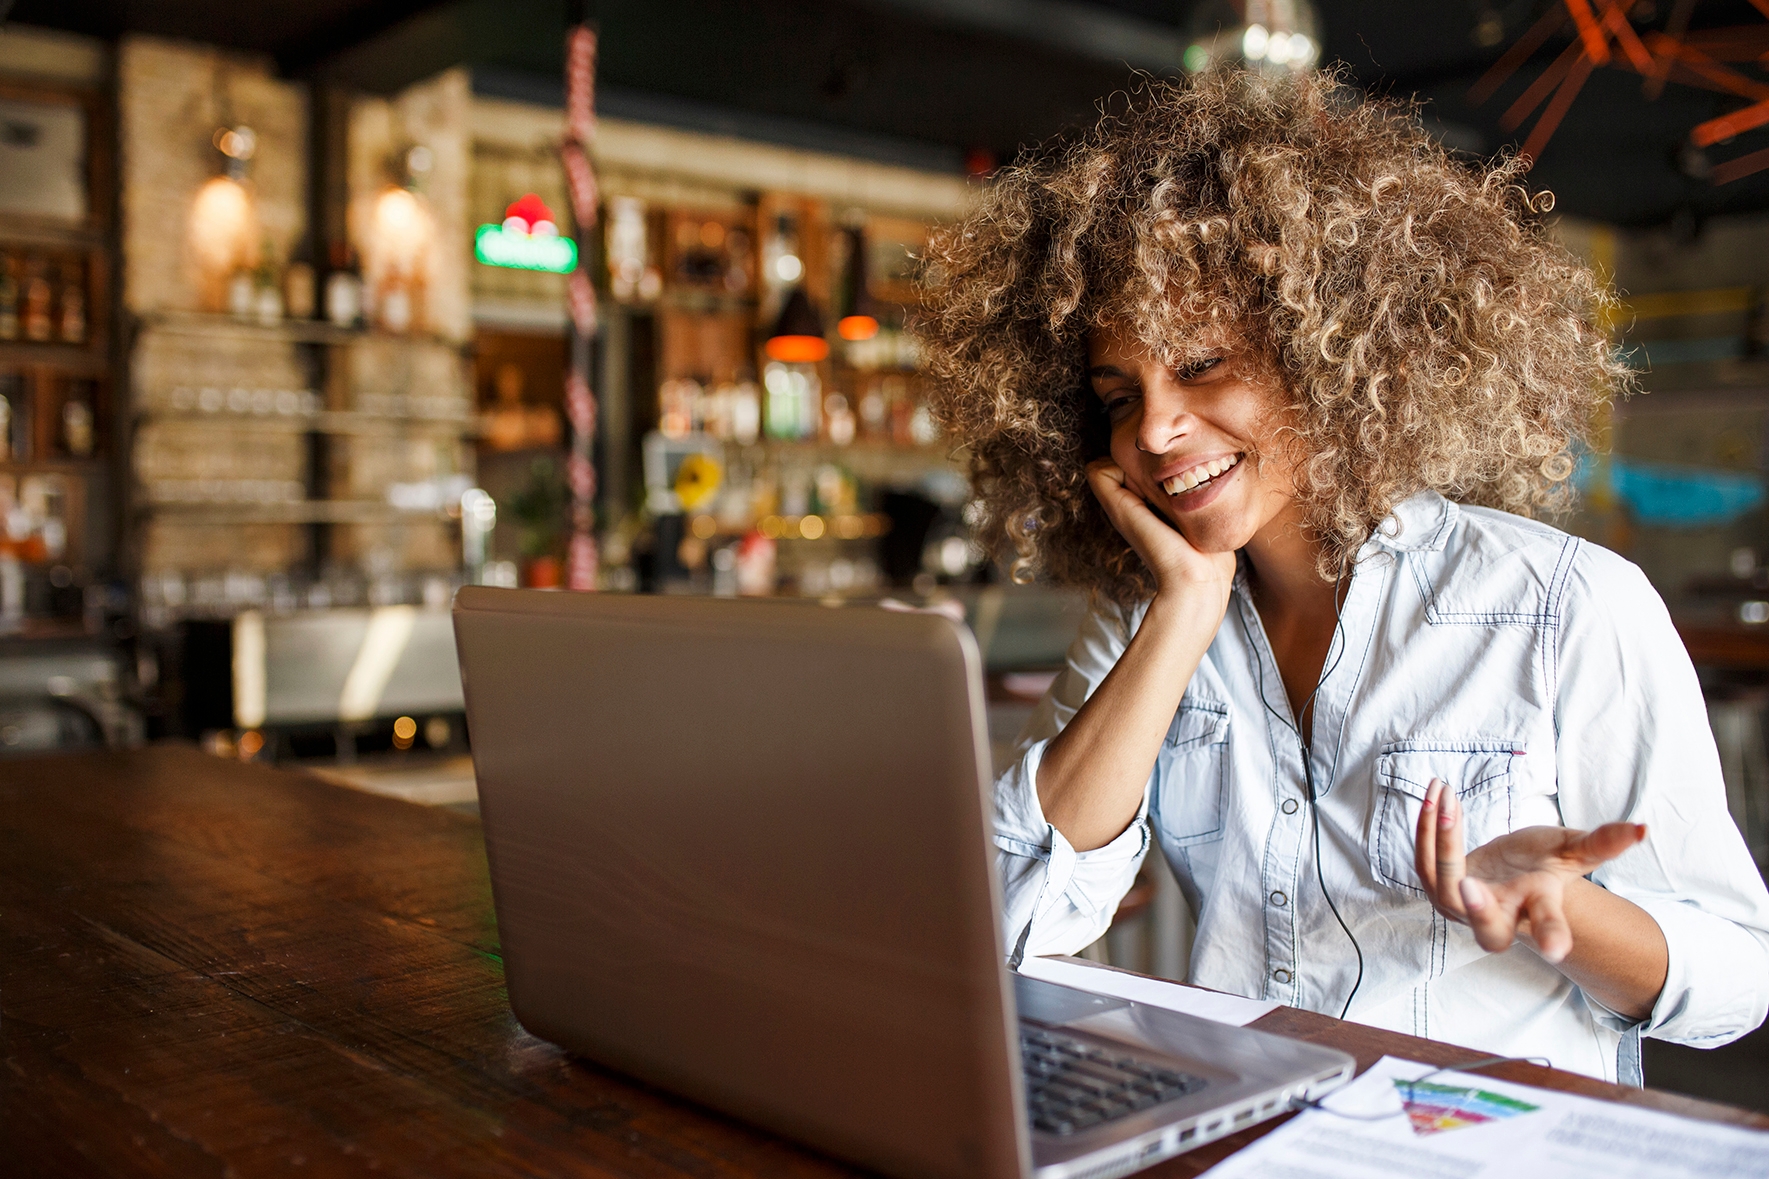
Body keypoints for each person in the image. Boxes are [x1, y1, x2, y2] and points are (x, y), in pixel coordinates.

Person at [917, 69, 1769, 1084]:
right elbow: (1009, 923)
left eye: (1198, 367)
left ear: (1321, 348)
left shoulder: (1561, 605)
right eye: (1116, 395)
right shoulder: (1151, 614)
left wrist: (1563, 912)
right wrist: (1184, 611)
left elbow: (1736, 984)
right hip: (1250, 1132)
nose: (1151, 429)